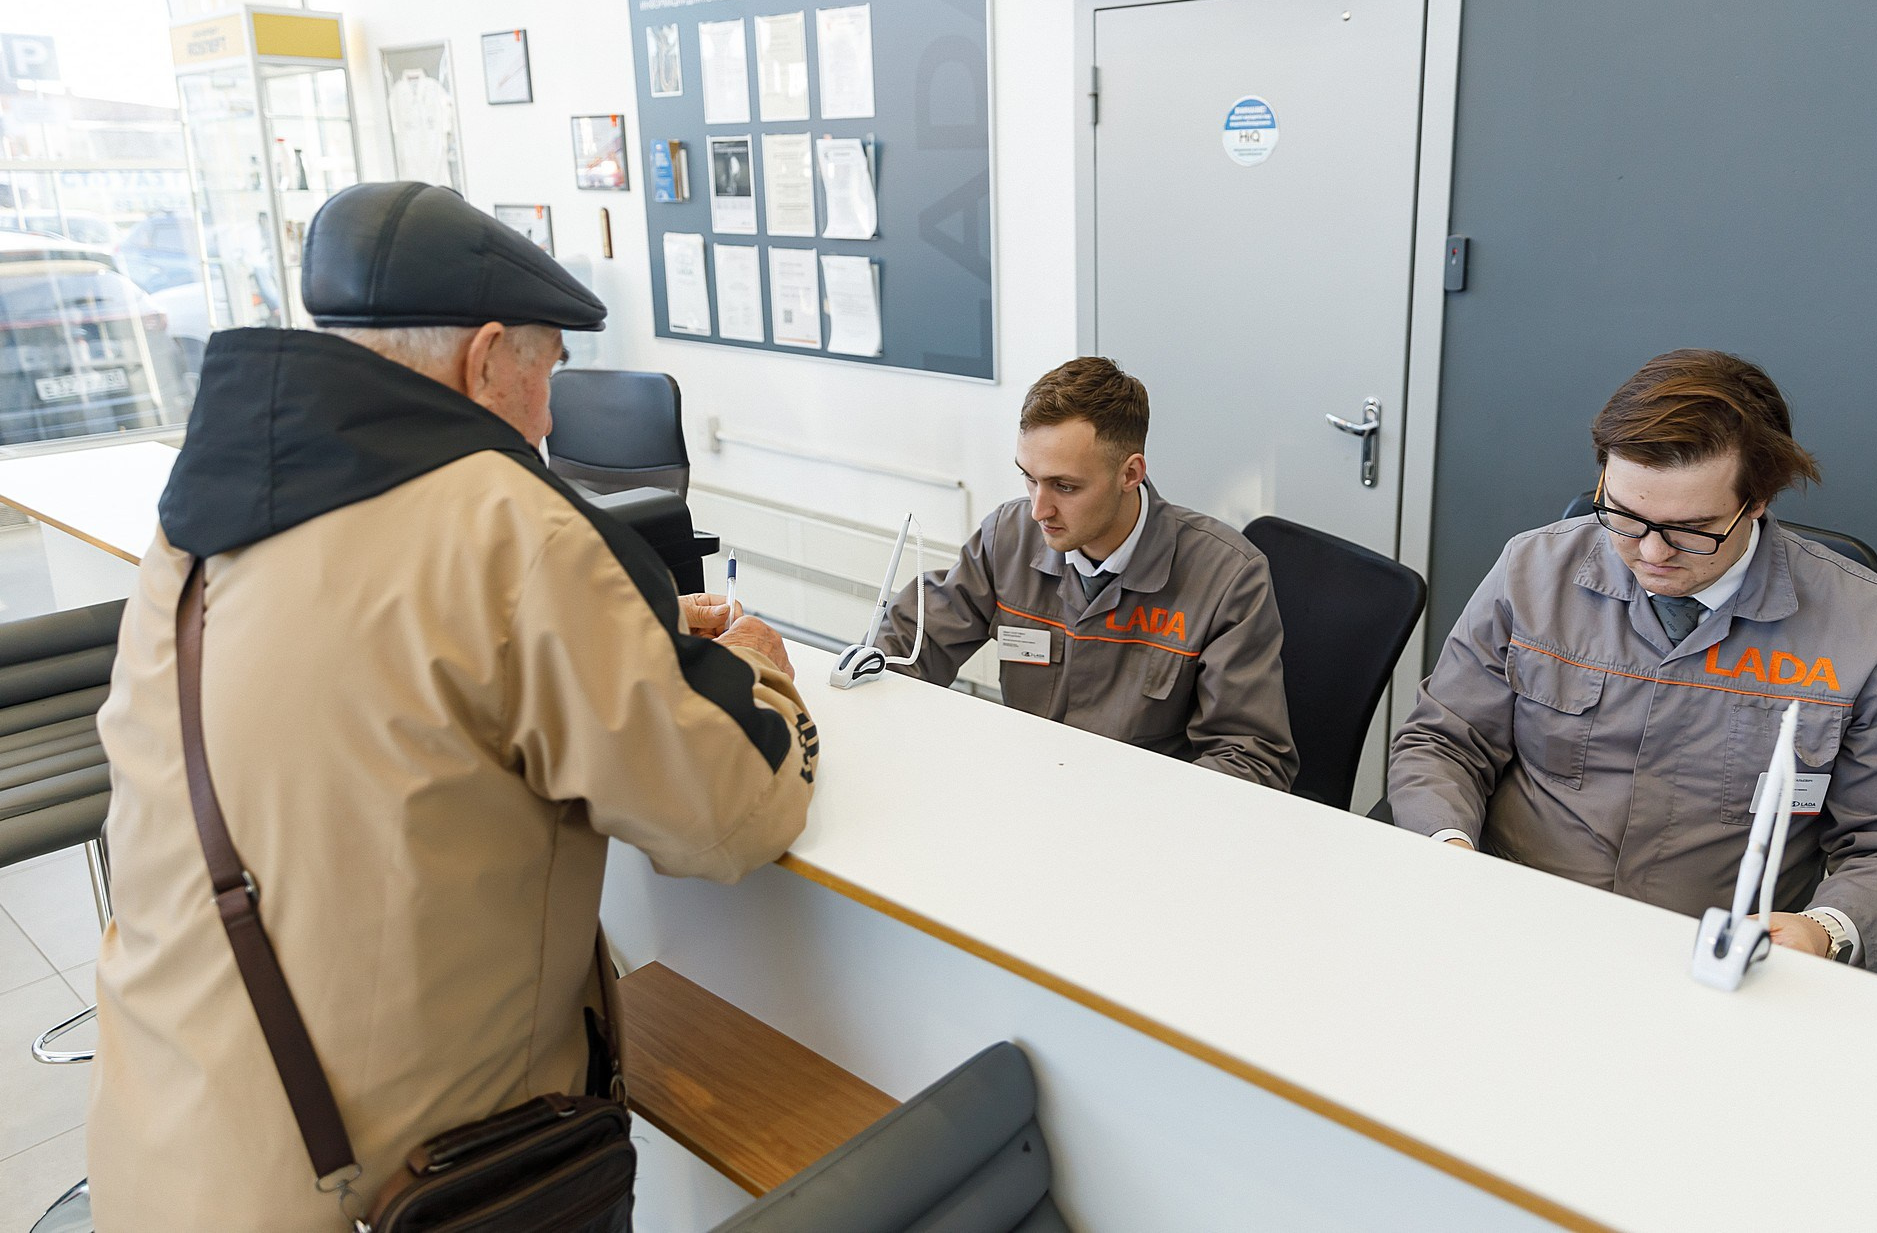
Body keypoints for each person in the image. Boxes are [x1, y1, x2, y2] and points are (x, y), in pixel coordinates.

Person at [88, 182, 819, 1230]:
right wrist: (759, 666)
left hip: (169, 1142)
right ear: (486, 359)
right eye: (547, 371)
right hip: (400, 1184)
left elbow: (394, 682)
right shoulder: (515, 527)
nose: (550, 413)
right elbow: (723, 812)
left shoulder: (202, 518)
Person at [1388, 349, 1877, 973]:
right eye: (1623, 516)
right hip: (1510, 925)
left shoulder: (1870, 629)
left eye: (1690, 529)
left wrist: (1824, 932)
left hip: (1712, 964)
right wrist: (1447, 847)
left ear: (1758, 502)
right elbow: (1445, 742)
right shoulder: (1532, 571)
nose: (1650, 553)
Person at [874, 357, 1296, 789]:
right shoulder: (1009, 536)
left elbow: (1251, 760)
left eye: (1065, 486)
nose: (1039, 510)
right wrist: (865, 679)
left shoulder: (1227, 578)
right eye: (1029, 478)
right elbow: (910, 647)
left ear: (1130, 473)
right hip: (1030, 791)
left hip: (1146, 817)